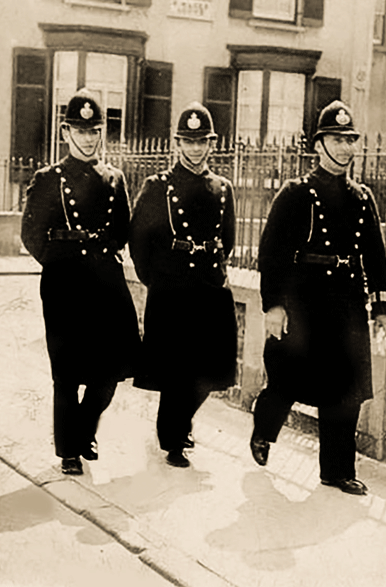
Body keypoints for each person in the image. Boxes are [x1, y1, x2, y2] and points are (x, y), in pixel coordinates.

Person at [249, 100, 386, 495]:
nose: (345, 148)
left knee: (346, 389)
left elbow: (375, 256)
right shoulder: (296, 193)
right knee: (286, 381)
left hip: (346, 304)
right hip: (303, 302)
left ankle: (336, 470)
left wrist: (381, 308)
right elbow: (271, 253)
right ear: (318, 144)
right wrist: (274, 306)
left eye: (350, 140)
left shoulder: (361, 198)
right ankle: (264, 428)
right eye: (336, 139)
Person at [21, 88, 140, 476]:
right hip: (64, 286)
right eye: (80, 130)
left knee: (110, 371)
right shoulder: (48, 179)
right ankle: (68, 450)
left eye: (94, 131)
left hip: (105, 284)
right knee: (67, 372)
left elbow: (122, 229)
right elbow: (31, 234)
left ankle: (85, 428)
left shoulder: (114, 178)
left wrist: (100, 257)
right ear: (65, 132)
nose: (88, 138)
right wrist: (59, 263)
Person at [129, 102, 238, 468]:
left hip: (209, 288)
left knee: (211, 369)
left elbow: (228, 240)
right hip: (171, 288)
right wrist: (155, 279)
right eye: (188, 141)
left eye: (201, 141)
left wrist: (212, 269)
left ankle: (179, 423)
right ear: (177, 143)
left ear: (212, 144)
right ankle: (173, 438)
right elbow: (138, 240)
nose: (195, 148)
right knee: (175, 370)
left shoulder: (222, 189)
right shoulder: (157, 187)